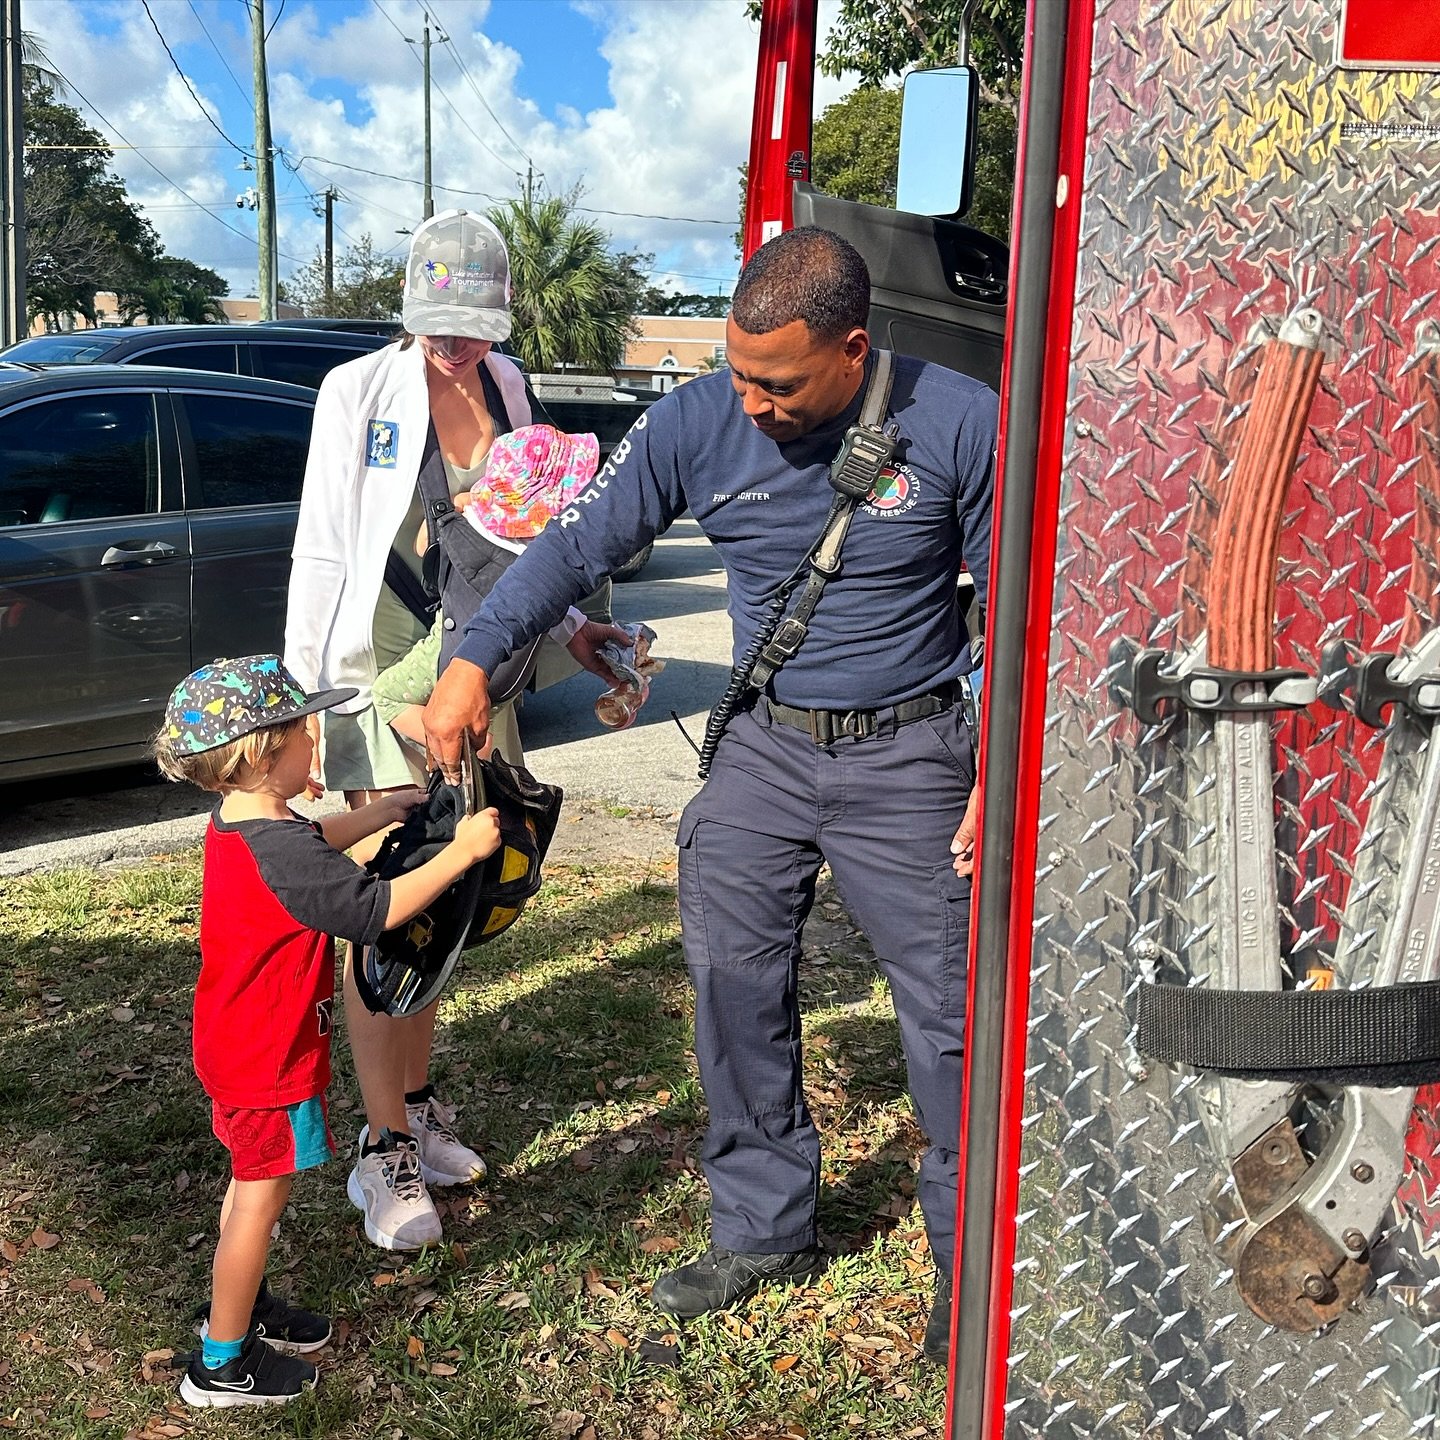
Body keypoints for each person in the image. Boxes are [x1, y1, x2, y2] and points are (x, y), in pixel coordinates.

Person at [420, 226, 995, 1365]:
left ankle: (966, 1264)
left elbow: (1022, 606)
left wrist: (994, 769)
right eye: (736, 374)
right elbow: (572, 551)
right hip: (764, 749)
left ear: (852, 349)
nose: (753, 403)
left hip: (914, 757)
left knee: (949, 1021)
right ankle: (764, 1226)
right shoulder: (694, 420)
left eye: (778, 383)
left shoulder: (960, 420)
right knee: (731, 978)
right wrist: (475, 660)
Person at [284, 209, 628, 1252]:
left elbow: (525, 544)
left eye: (473, 325)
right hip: (379, 684)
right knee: (385, 905)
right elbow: (323, 549)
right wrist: (320, 708)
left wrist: (576, 628)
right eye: (438, 325)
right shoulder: (359, 392)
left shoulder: (510, 386)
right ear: (408, 312)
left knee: (455, 894)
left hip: (480, 684)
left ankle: (418, 1104)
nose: (455, 344)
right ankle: (380, 1148)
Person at [153, 654, 500, 1407]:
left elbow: (311, 850)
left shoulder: (248, 821)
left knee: (252, 1192)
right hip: (262, 1058)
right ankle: (220, 1362)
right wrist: (464, 852)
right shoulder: (277, 846)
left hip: (235, 1043)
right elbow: (371, 911)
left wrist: (378, 813)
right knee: (259, 1199)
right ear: (265, 753)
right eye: (304, 729)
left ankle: (244, 1308)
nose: (316, 740)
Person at [371, 422, 602, 751]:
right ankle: (472, 748)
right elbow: (552, 611)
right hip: (506, 672)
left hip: (453, 656)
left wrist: (460, 505)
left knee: (386, 696)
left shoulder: (473, 527)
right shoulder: (543, 555)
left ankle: (454, 748)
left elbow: (424, 546)